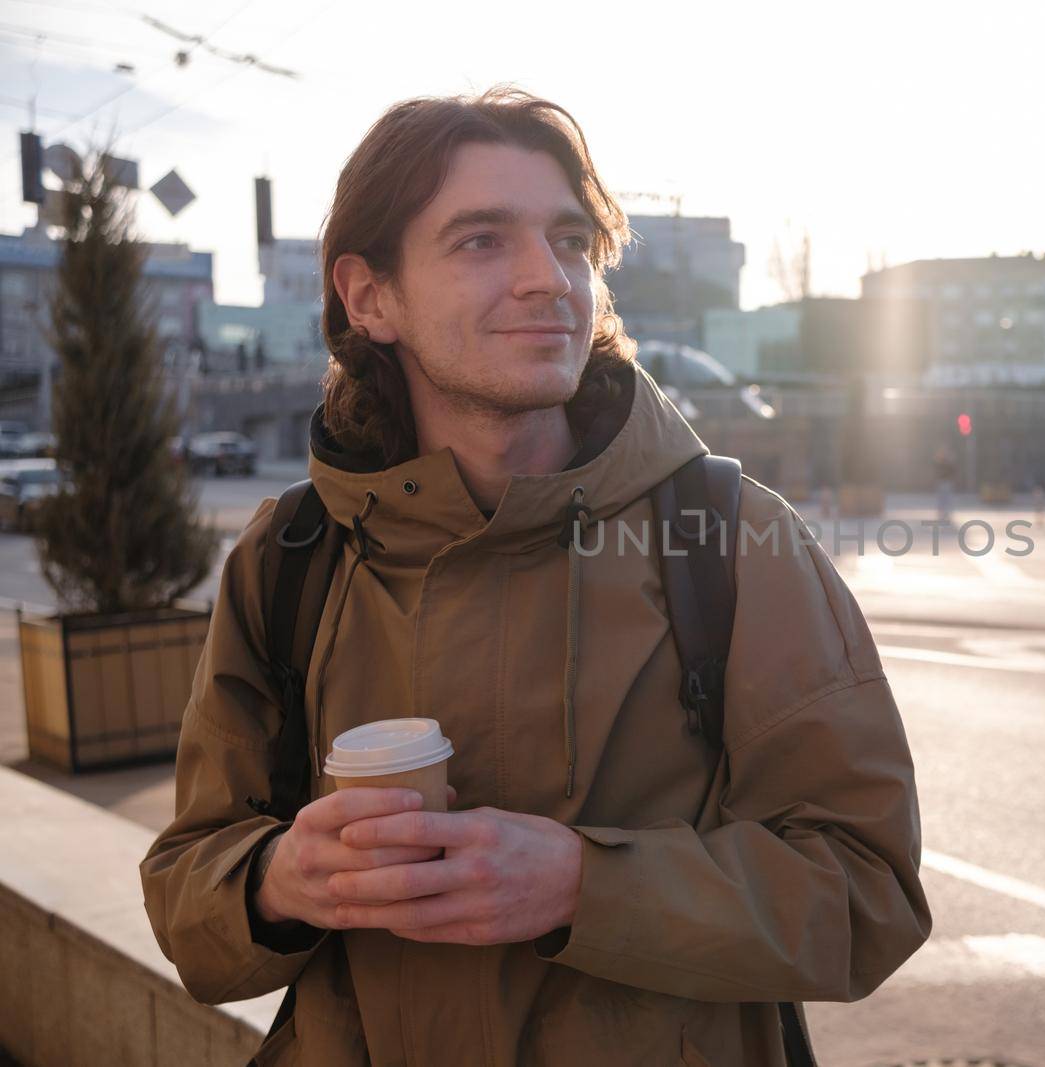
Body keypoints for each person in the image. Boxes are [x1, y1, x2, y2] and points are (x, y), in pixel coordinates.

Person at [139, 86, 931, 1066]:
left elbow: (868, 889)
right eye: (481, 240)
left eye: (568, 241)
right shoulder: (287, 555)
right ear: (368, 295)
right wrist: (277, 879)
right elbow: (186, 886)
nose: (547, 280)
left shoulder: (728, 537)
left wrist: (584, 885)